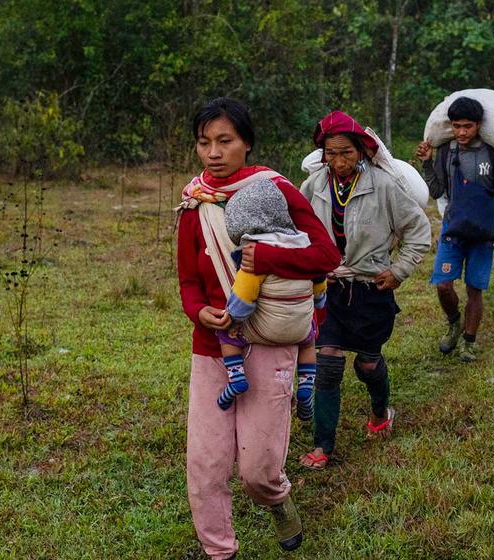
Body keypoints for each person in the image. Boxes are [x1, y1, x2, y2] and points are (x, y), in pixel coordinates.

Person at [176, 97, 340, 559]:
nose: (213, 152)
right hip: (212, 347)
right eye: (204, 142)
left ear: (246, 143)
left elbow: (326, 256)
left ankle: (278, 498)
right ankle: (218, 551)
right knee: (205, 465)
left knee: (259, 470)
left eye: (224, 141)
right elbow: (188, 279)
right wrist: (198, 312)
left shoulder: (275, 190)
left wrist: (266, 257)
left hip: (270, 340)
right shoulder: (195, 202)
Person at [297, 110, 431, 470]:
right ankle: (324, 446)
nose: (338, 161)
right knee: (327, 362)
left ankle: (380, 411)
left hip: (372, 290)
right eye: (331, 153)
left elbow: (418, 230)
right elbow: (297, 230)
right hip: (330, 289)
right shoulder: (314, 187)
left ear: (361, 150)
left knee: (368, 364)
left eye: (347, 152)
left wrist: (399, 271)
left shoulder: (384, 186)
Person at [414, 96, 494, 362]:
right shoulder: (447, 152)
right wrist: (426, 163)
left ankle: (468, 342)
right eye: (456, 126)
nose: (462, 132)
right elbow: (436, 190)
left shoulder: (492, 153)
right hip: (453, 230)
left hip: (482, 233)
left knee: (474, 289)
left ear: (479, 125)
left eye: (467, 126)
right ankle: (454, 322)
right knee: (443, 286)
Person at [216, 179, 328, 412]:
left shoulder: (255, 254)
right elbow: (319, 284)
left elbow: (244, 296)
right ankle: (307, 385)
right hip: (300, 329)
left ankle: (236, 378)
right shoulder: (304, 245)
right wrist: (319, 301)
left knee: (226, 335)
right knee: (309, 343)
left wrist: (234, 320)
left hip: (267, 330)